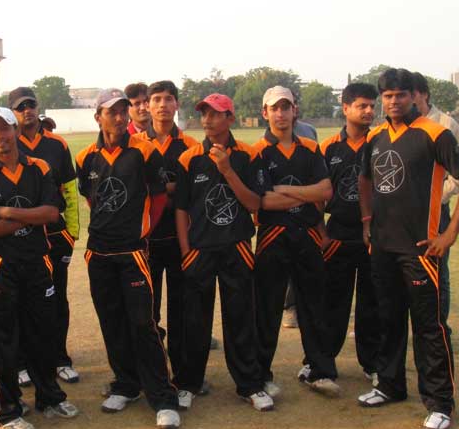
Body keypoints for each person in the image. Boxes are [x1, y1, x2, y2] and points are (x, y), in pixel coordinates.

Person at [357, 68, 459, 429]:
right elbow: (365, 178)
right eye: (388, 96)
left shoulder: (434, 133)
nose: (394, 101)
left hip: (421, 249)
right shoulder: (375, 135)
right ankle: (390, 385)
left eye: (401, 95)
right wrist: (367, 219)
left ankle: (440, 402)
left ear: (414, 96)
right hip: (383, 246)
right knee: (388, 319)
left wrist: (450, 233)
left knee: (429, 326)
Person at [76, 88, 180, 429]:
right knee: (112, 322)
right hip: (98, 252)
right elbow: (92, 198)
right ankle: (126, 384)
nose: (120, 118)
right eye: (112, 112)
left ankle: (163, 397)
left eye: (123, 111)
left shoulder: (144, 151)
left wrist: (142, 228)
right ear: (98, 117)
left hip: (133, 252)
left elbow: (159, 197)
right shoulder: (86, 158)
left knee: (142, 324)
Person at [0, 107, 79, 429]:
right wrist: (31, 215)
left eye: (5, 128)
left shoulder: (39, 167)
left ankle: (49, 397)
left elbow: (52, 213)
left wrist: (8, 211)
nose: (0, 136)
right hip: (1, 265)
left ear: (16, 131)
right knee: (3, 340)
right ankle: (6, 410)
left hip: (36, 260)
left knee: (41, 333)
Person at [173, 93, 274, 412]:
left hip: (237, 248)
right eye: (204, 113)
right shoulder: (189, 158)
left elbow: (255, 204)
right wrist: (186, 250)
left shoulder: (248, 155)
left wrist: (227, 170)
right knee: (195, 321)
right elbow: (180, 209)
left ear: (230, 118)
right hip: (199, 250)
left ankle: (250, 385)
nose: (207, 119)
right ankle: (188, 383)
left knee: (241, 319)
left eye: (215, 114)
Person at [253, 86, 339, 397]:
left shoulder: (310, 148)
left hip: (308, 235)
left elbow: (325, 191)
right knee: (267, 309)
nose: (281, 114)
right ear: (265, 113)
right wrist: (305, 193)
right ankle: (260, 375)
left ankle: (320, 370)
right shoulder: (257, 152)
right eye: (274, 108)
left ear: (294, 111)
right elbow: (264, 201)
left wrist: (285, 191)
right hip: (272, 237)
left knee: (314, 306)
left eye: (286, 107)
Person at [9, 87, 81, 385]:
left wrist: (72, 233)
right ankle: (23, 362)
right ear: (13, 112)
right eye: (20, 107)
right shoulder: (8, 142)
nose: (27, 110)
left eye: (31, 105)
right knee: (22, 299)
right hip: (22, 236)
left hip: (55, 234)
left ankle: (59, 358)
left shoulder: (56, 144)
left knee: (57, 298)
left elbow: (70, 189)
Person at [135, 81, 198, 380]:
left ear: (177, 104)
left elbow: (194, 194)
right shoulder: (135, 146)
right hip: (145, 241)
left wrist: (160, 189)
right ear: (147, 105)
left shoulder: (190, 146)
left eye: (168, 99)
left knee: (182, 311)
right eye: (156, 99)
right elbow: (135, 191)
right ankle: (151, 375)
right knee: (147, 313)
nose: (162, 105)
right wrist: (170, 188)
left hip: (180, 240)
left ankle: (184, 376)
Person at [319, 83, 380, 385]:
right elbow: (318, 195)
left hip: (374, 235)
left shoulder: (381, 142)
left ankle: (373, 364)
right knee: (333, 302)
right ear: (345, 108)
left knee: (372, 303)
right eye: (362, 106)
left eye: (372, 106)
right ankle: (321, 363)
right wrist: (322, 233)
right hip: (338, 233)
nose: (369, 111)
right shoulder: (328, 147)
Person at [412, 72, 459, 320]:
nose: (403, 100)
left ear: (424, 94)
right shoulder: (399, 126)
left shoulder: (445, 125)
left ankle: (437, 326)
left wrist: (431, 197)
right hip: (401, 215)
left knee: (436, 271)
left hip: (435, 213)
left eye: (410, 94)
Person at [281, 96, 318, 329]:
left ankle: (298, 306)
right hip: (280, 216)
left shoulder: (309, 131)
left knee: (305, 268)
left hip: (306, 214)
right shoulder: (268, 139)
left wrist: (301, 193)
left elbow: (320, 182)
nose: (283, 112)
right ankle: (288, 307)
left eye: (288, 106)